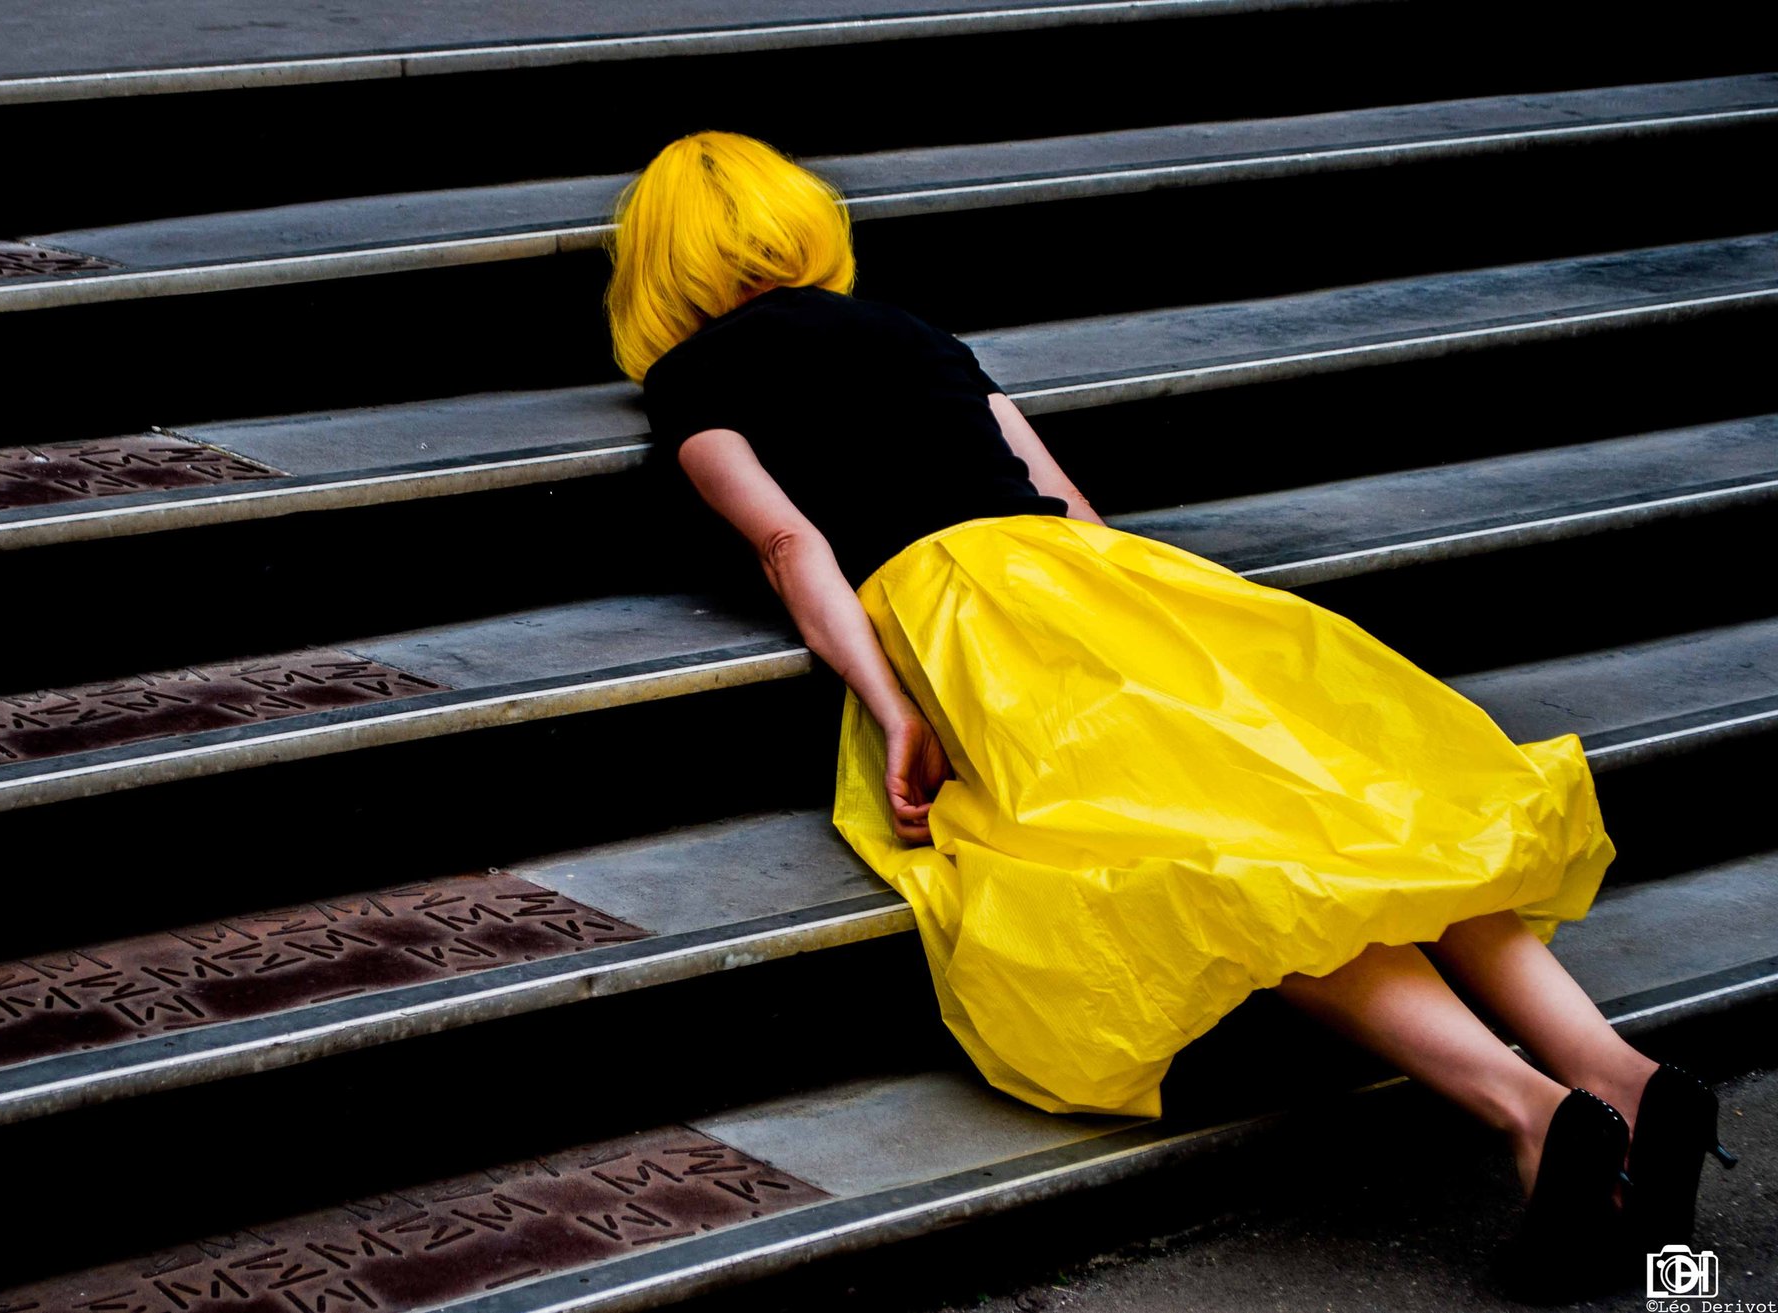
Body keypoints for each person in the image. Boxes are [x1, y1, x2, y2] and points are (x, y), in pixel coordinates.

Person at [606, 129, 1735, 1300]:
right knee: (1349, 816)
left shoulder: (693, 373)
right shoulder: (915, 334)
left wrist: (889, 700)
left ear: (658, 264)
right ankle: (1618, 1070)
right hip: (1112, 586)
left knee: (1210, 870)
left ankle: (1530, 1107)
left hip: (971, 618)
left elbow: (793, 542)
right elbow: (1068, 503)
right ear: (803, 225)